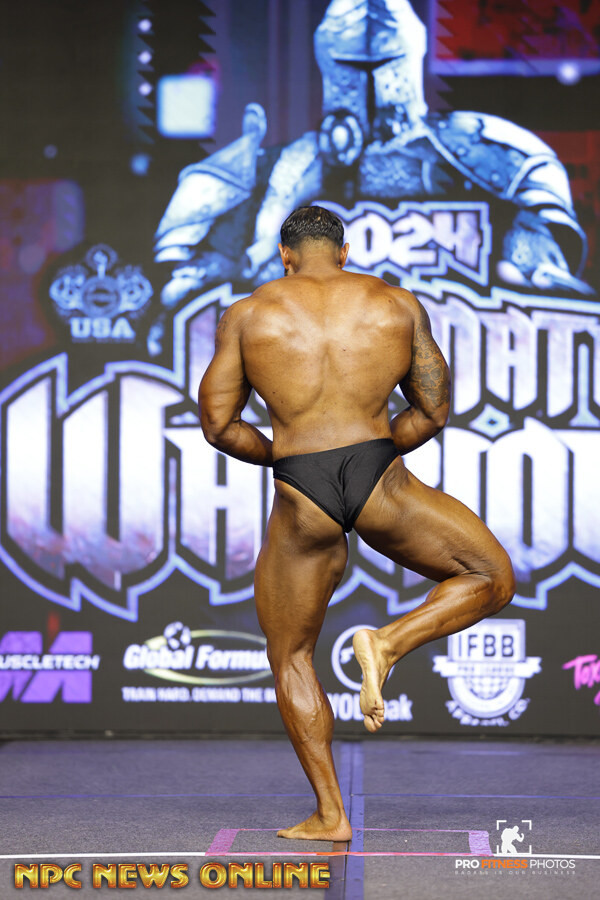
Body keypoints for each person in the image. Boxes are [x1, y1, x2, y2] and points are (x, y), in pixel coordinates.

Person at [199, 205, 515, 842]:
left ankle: (330, 815)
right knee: (490, 577)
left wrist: (288, 457)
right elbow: (433, 410)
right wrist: (374, 454)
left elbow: (219, 425)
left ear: (284, 255)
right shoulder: (396, 304)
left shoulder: (248, 315)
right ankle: (390, 642)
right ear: (344, 252)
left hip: (300, 489)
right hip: (377, 475)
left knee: (290, 655)